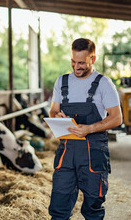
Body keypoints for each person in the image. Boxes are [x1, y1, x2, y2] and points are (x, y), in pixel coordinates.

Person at [48, 38, 122, 220]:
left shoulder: (104, 83)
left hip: (93, 152)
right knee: (58, 207)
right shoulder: (62, 81)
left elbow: (117, 118)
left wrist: (89, 129)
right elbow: (53, 110)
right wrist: (56, 116)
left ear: (93, 59)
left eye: (81, 62)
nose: (76, 66)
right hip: (66, 152)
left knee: (93, 209)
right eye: (73, 61)